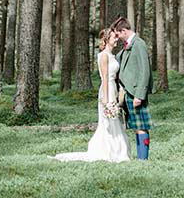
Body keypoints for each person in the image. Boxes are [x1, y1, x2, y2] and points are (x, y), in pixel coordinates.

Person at [53, 28, 131, 163]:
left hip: (113, 88)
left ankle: (118, 151)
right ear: (106, 40)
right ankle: (108, 152)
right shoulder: (104, 56)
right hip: (107, 90)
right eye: (114, 37)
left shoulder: (112, 55)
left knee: (115, 121)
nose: (116, 39)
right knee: (108, 122)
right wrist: (107, 100)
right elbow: (105, 77)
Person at [112, 17, 153, 160]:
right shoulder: (128, 46)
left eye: (117, 34)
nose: (117, 38)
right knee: (136, 126)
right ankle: (141, 158)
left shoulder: (139, 44)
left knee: (142, 127)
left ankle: (143, 159)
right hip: (128, 92)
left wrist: (140, 95)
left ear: (124, 31)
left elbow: (145, 70)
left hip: (135, 92)